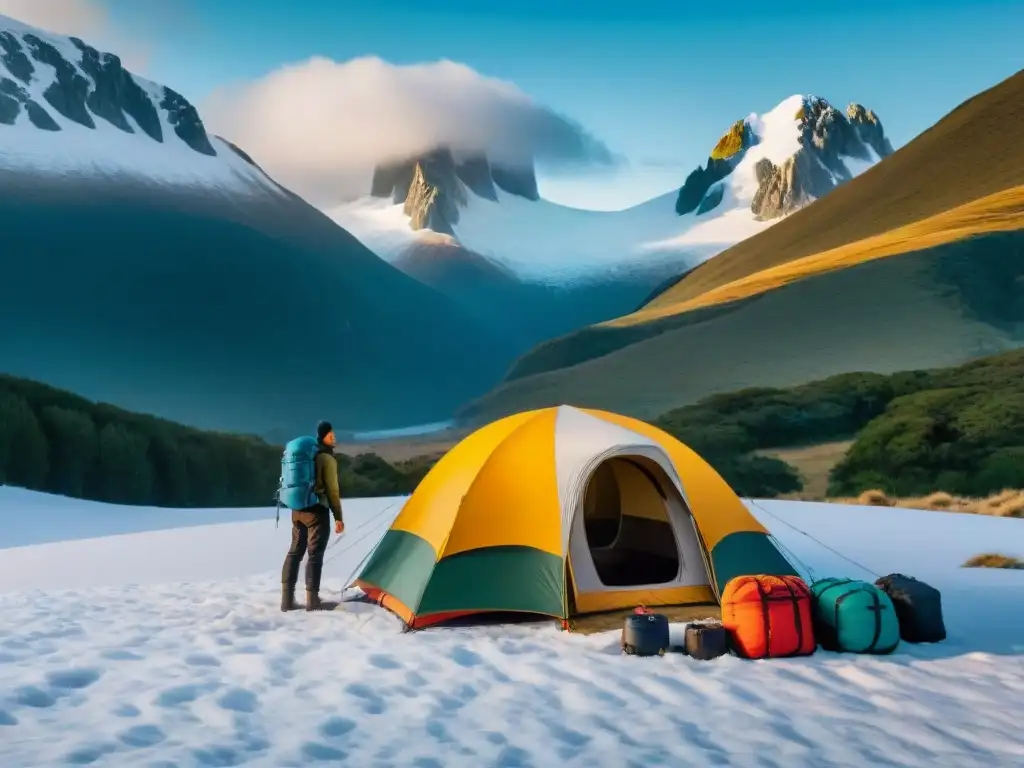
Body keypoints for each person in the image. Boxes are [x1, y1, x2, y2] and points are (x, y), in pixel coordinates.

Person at [280, 420, 346, 612]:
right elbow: (333, 491)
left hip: (297, 509)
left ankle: (287, 601)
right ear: (323, 436)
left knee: (295, 552)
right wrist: (338, 517)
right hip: (316, 511)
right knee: (315, 554)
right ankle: (312, 600)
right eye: (330, 434)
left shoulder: (308, 455)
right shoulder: (326, 459)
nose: (334, 437)